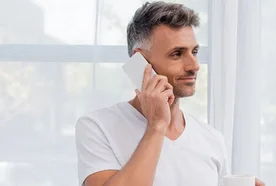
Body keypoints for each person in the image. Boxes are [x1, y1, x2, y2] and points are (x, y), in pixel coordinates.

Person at [75, 2, 265, 186]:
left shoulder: (212, 139)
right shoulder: (98, 127)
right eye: (177, 54)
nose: (194, 66)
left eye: (195, 51)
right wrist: (157, 126)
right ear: (139, 60)